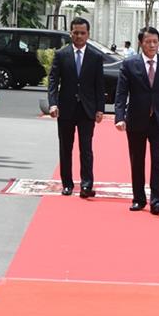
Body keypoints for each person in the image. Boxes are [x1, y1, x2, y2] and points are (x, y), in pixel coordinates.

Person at [115, 26, 159, 215]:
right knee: (137, 160)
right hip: (136, 120)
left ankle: (158, 201)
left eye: (155, 42)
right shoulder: (129, 64)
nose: (152, 45)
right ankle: (139, 199)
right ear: (141, 43)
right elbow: (121, 93)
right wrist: (119, 117)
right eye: (148, 42)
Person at [47, 17, 106, 197]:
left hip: (87, 109)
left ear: (88, 34)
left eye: (83, 33)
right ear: (70, 33)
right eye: (76, 32)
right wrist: (53, 103)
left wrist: (100, 109)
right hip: (66, 108)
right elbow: (53, 81)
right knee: (66, 147)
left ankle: (87, 184)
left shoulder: (95, 57)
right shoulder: (61, 54)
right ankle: (67, 184)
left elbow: (99, 84)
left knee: (86, 149)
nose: (79, 36)